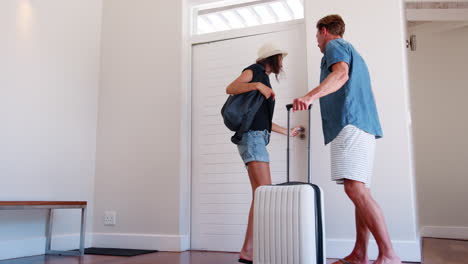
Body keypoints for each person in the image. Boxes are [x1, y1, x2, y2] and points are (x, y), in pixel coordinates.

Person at [292, 15, 402, 264]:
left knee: (355, 189)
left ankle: (389, 254)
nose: (317, 43)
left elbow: (340, 75)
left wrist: (310, 97)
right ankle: (360, 254)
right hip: (362, 124)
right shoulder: (352, 51)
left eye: (316, 37)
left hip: (350, 122)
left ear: (323, 31)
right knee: (359, 189)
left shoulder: (335, 46)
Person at [226, 43, 303, 264]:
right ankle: (250, 250)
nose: (282, 63)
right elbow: (230, 88)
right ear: (274, 58)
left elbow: (262, 121)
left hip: (257, 137)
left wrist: (287, 131)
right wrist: (257, 85)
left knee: (261, 195)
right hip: (252, 139)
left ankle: (249, 250)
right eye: (281, 58)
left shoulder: (264, 79)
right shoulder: (254, 71)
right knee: (264, 195)